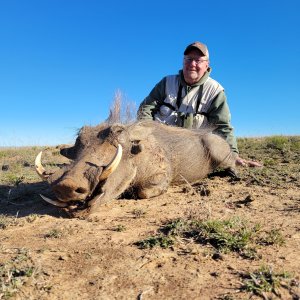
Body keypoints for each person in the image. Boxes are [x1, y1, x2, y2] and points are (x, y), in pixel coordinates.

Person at [137, 41, 262, 167]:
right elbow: (146, 109)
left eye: (198, 60)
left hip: (193, 154)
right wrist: (146, 136)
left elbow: (222, 126)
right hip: (158, 146)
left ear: (207, 65)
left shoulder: (215, 91)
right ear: (183, 61)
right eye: (188, 59)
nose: (192, 64)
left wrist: (232, 156)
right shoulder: (166, 83)